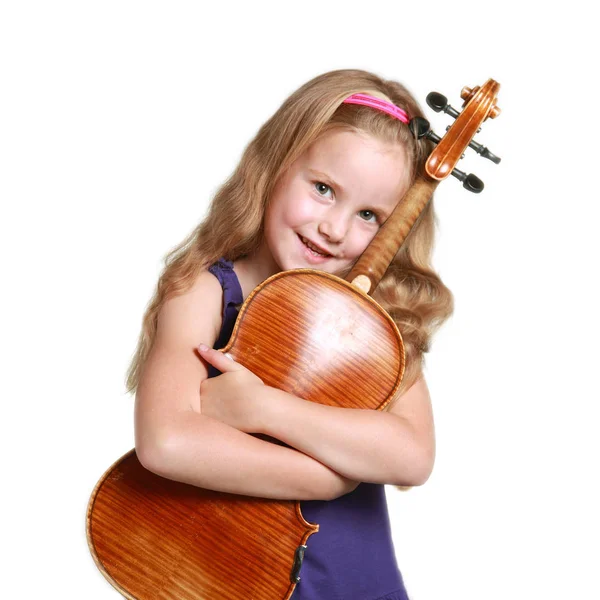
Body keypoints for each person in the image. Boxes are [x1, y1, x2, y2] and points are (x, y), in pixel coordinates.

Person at [126, 69, 454, 600]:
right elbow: (166, 442)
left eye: (369, 215)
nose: (335, 228)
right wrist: (323, 478)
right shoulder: (205, 292)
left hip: (353, 584)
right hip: (227, 578)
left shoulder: (370, 319)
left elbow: (411, 456)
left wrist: (262, 408)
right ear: (274, 165)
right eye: (323, 189)